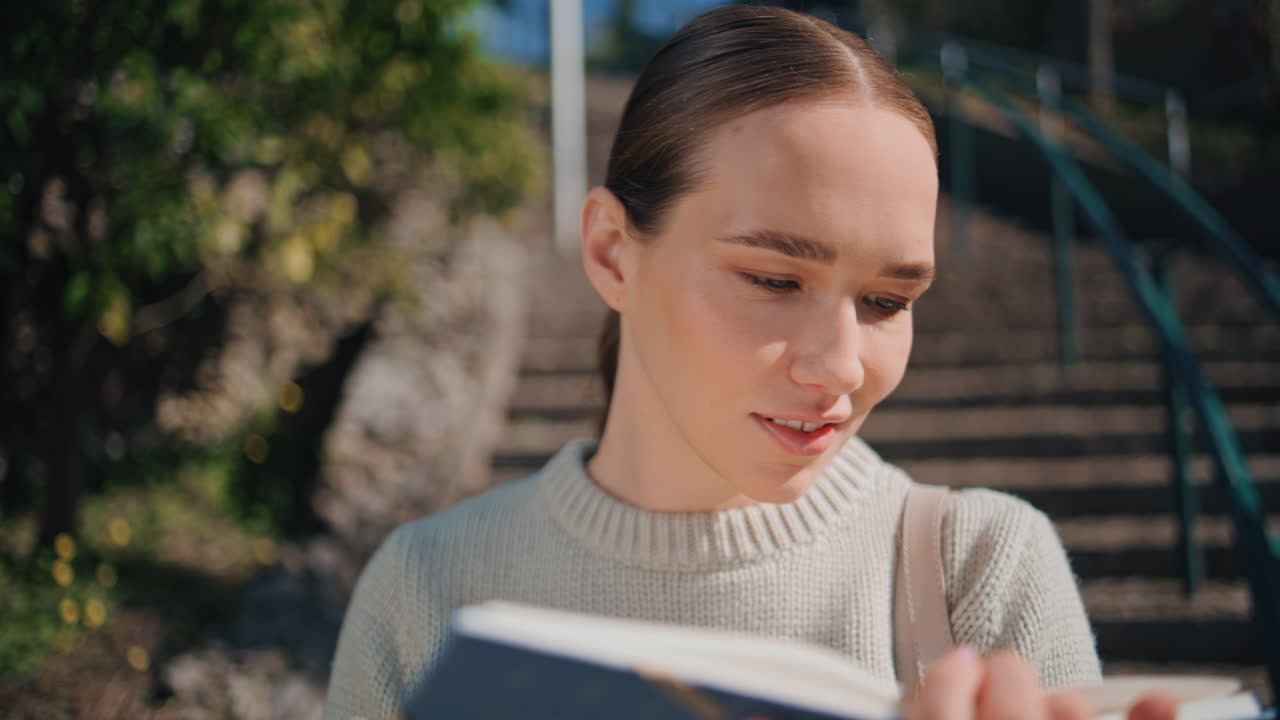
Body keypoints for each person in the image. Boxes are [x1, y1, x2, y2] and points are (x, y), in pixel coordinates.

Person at [323, 6, 1179, 720]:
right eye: (773, 279)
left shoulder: (982, 570)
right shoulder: (427, 588)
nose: (841, 365)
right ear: (613, 253)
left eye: (888, 300)